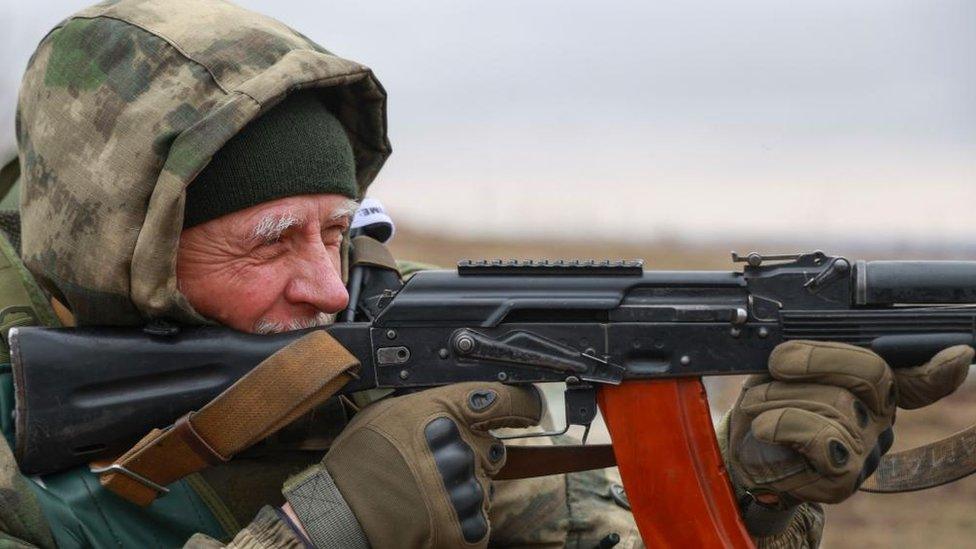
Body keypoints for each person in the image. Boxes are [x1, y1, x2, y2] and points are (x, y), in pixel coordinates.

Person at [1, 1, 971, 547]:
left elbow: (582, 535)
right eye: (268, 242)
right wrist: (316, 532)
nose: (329, 289)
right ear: (123, 253)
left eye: (338, 232)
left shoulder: (395, 345)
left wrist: (750, 496)